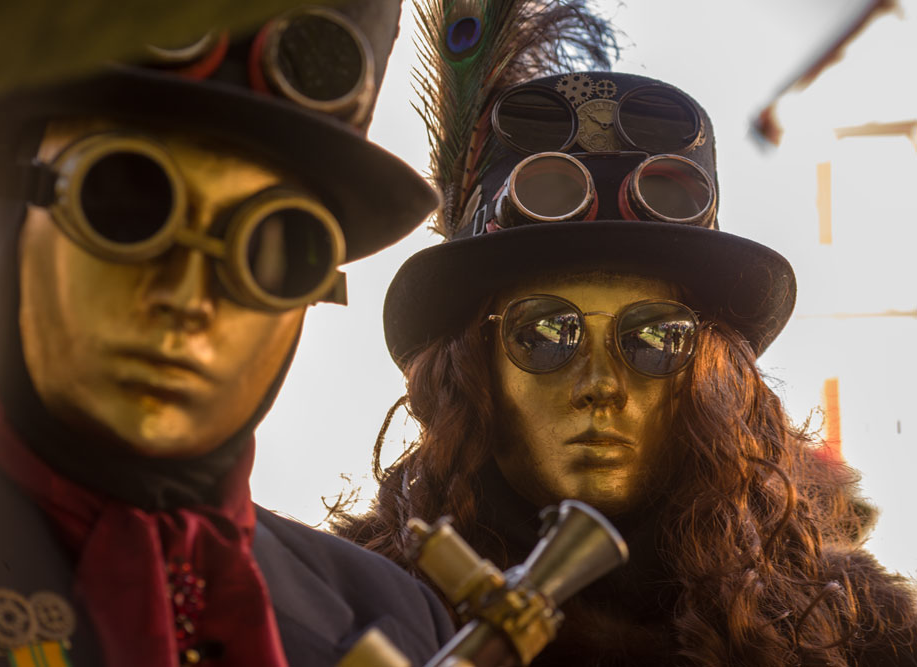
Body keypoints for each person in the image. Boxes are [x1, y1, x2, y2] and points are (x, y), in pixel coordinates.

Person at [335, 27, 917, 665]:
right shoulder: (337, 608)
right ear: (474, 366)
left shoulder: (849, 632)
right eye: (544, 333)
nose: (601, 386)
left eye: (655, 337)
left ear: (711, 370)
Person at [0, 3, 454, 665]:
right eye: (121, 205)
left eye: (274, 249)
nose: (185, 296)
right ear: (10, 211)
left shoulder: (397, 617)